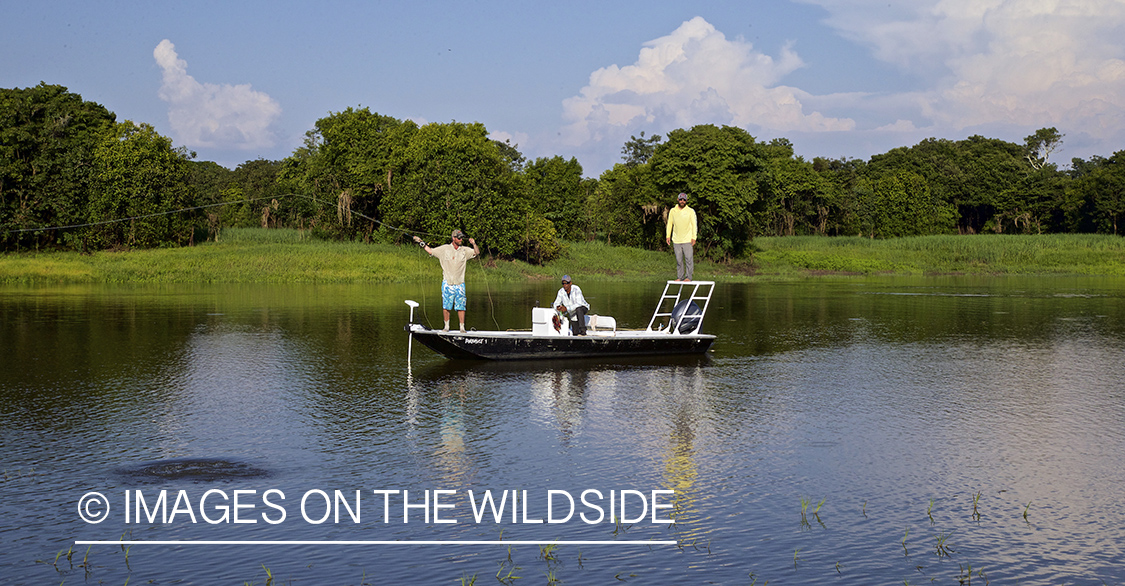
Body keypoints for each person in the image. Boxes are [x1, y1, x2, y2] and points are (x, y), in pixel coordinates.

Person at [413, 229, 479, 333]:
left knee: (461, 307)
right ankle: (446, 326)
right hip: (447, 283)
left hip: (460, 283)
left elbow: (476, 252)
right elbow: (431, 251)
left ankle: (462, 327)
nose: (461, 239)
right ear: (453, 238)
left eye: (462, 237)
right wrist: (421, 242)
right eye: (459, 237)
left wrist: (474, 243)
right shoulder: (444, 249)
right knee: (446, 306)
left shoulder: (464, 250)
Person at [665, 192, 697, 281]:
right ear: (678, 200)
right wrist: (668, 236)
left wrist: (694, 237)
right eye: (680, 199)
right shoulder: (673, 211)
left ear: (686, 201)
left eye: (684, 200)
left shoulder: (690, 211)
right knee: (679, 260)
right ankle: (680, 277)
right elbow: (670, 224)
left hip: (687, 239)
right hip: (676, 239)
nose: (682, 201)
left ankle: (688, 277)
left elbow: (694, 225)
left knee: (689, 259)